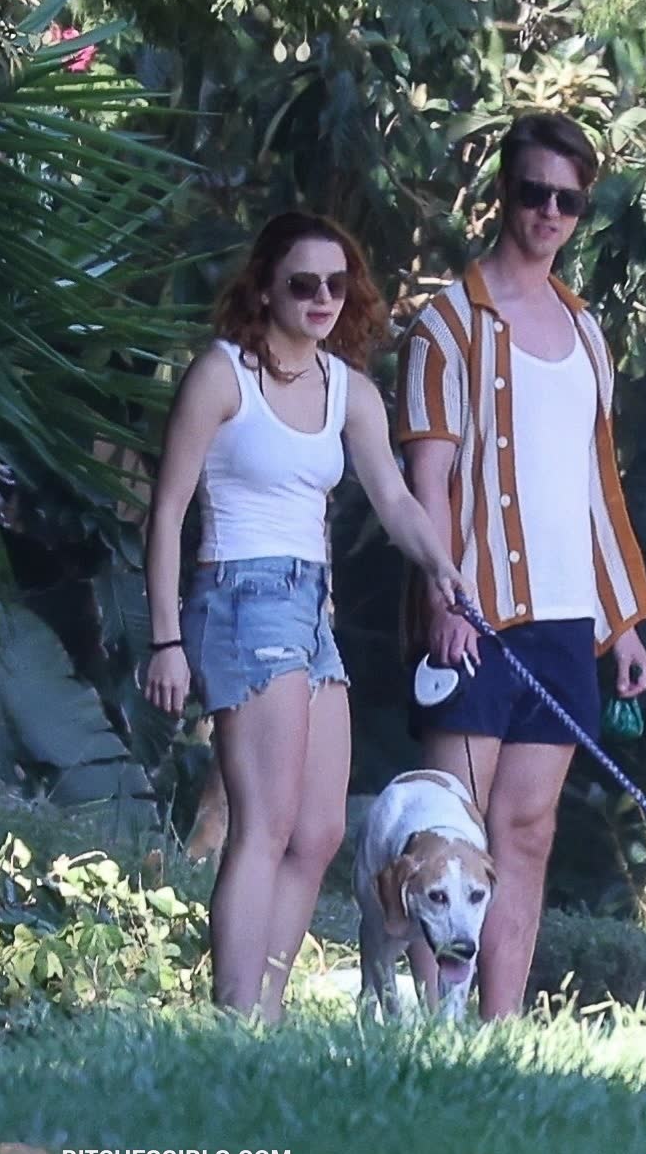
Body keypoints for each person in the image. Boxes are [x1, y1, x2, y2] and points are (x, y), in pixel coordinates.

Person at [143, 211, 468, 1022]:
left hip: (311, 606)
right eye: (302, 283)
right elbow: (168, 509)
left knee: (319, 832)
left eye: (336, 284)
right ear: (264, 288)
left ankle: (268, 1010)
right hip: (239, 596)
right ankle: (235, 1019)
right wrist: (165, 640)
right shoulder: (223, 375)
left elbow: (394, 496)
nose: (323, 298)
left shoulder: (347, 389)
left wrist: (440, 565)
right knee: (265, 823)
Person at [397, 111, 646, 1019]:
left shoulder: (587, 332)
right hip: (474, 613)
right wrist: (442, 594)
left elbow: (595, 483)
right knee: (448, 831)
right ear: (503, 193)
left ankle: (499, 1026)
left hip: (565, 616)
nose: (548, 212)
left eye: (567, 200)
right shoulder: (447, 323)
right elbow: (425, 476)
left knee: (529, 829)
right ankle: (433, 1029)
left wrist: (621, 620)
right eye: (533, 192)